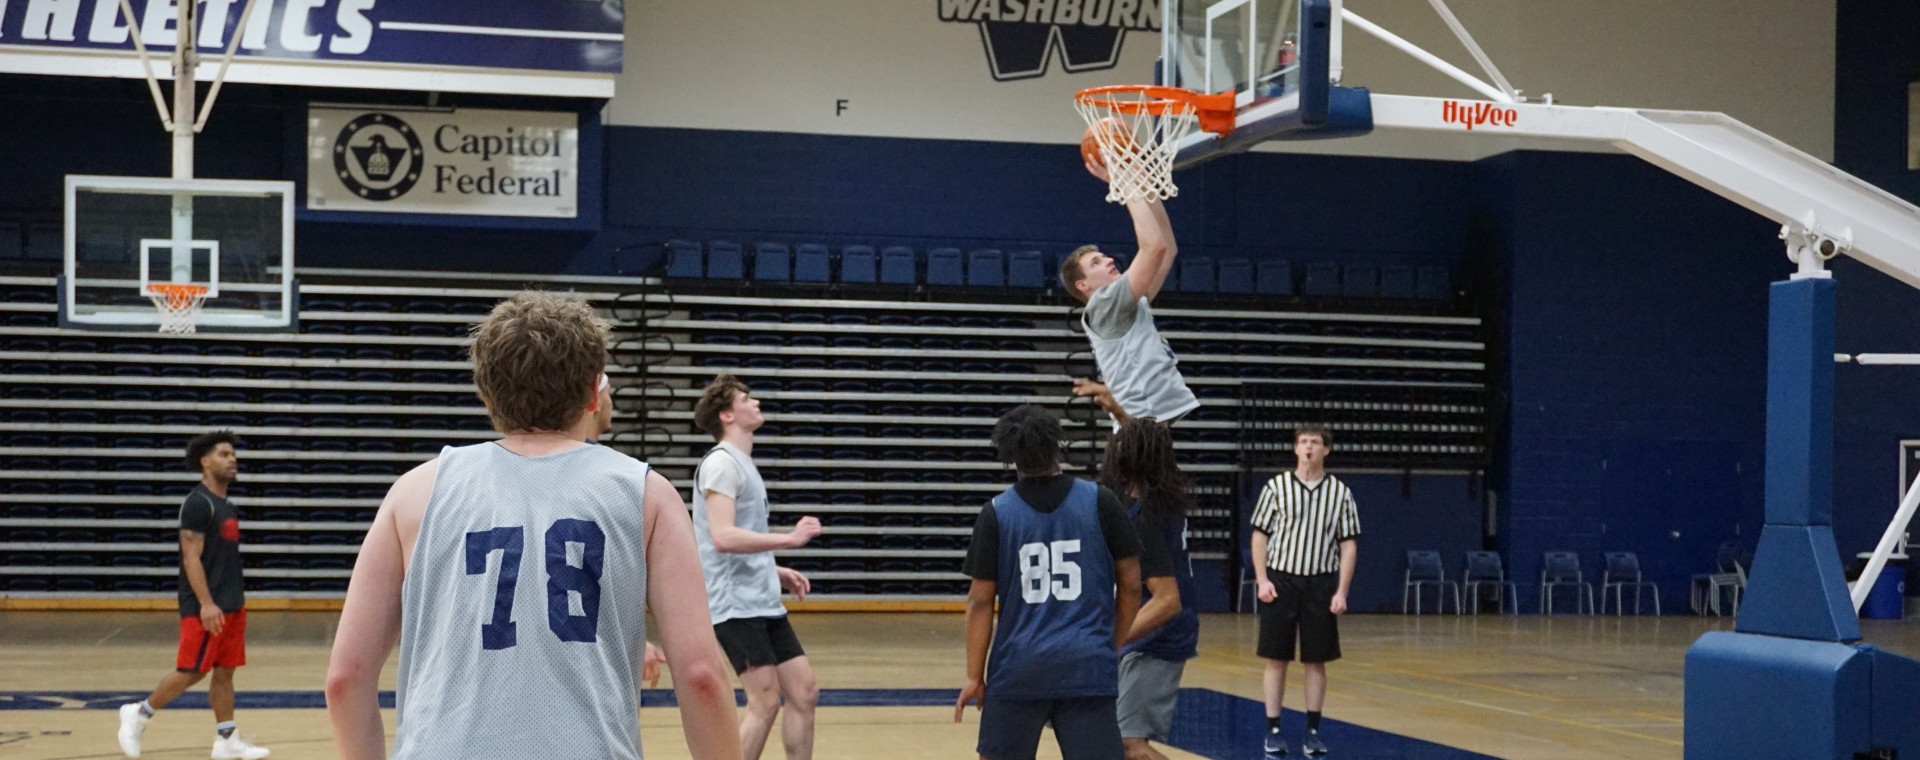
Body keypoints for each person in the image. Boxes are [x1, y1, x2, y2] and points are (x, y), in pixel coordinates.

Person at [323, 291, 740, 760]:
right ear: (590, 391)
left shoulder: (414, 491)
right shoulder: (648, 494)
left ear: (485, 393)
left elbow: (345, 680)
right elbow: (702, 677)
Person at [954, 404, 1145, 760]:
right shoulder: (1101, 501)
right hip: (1086, 663)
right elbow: (1132, 584)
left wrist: (973, 676)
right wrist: (1110, 644)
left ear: (1010, 456)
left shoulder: (996, 513)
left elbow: (979, 601)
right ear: (1058, 445)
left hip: (1018, 667)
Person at [689, 373, 822, 760]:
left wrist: (772, 569)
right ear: (727, 415)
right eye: (746, 398)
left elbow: (737, 539)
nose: (756, 403)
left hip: (760, 599)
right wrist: (789, 539)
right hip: (735, 605)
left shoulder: (743, 463)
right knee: (763, 702)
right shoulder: (721, 465)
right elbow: (722, 537)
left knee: (804, 691)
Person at [117, 430, 270, 760]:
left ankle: (226, 738)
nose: (232, 460)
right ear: (205, 461)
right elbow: (191, 556)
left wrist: (229, 601)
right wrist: (206, 603)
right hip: (206, 605)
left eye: (233, 455)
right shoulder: (198, 503)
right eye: (223, 454)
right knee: (193, 670)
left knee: (225, 671)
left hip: (231, 603)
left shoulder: (225, 504)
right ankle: (139, 713)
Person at [1059, 161, 1199, 428]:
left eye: (1104, 256)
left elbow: (1167, 248)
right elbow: (1154, 247)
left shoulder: (1125, 302)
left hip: (1147, 420)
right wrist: (1124, 185)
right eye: (1096, 263)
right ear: (1083, 285)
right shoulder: (1104, 303)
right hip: (1139, 422)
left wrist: (1145, 187)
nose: (1109, 260)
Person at [1249, 426, 1361, 757]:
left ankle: (1312, 730)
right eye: (1303, 442)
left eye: (1314, 442)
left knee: (1316, 660)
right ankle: (1273, 729)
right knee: (1276, 657)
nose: (1308, 447)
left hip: (1321, 582)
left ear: (1326, 450)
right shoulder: (1276, 487)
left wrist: (1342, 590)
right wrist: (1262, 579)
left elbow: (1349, 544)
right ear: (1295, 449)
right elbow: (1259, 536)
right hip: (1282, 580)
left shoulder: (1340, 492)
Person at [1103, 419, 1198, 760]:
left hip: (1157, 638)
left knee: (1132, 745)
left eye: (1121, 444)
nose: (1113, 448)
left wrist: (1113, 640)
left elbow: (1167, 601)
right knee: (1111, 741)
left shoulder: (1145, 518)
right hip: (1150, 634)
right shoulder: (1152, 501)